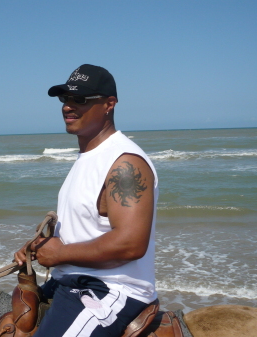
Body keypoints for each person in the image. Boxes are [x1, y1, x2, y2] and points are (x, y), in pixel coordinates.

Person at [14, 64, 159, 337]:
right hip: (68, 281)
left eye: (79, 99)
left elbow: (131, 243)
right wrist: (39, 246)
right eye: (64, 99)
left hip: (110, 288)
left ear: (109, 104)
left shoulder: (125, 162)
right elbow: (85, 229)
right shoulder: (87, 157)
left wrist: (59, 254)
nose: (68, 106)